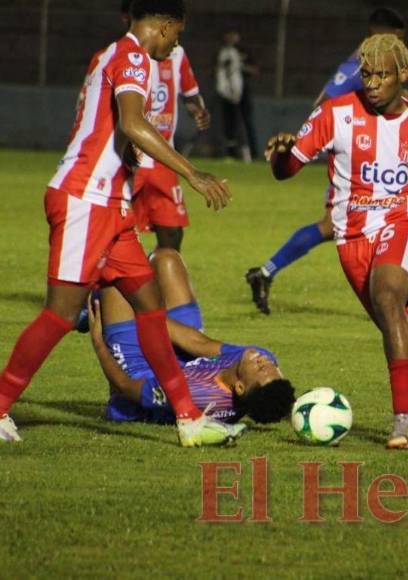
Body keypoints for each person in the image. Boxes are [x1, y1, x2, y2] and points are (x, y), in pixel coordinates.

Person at [0, 0, 239, 447]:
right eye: (178, 35)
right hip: (84, 201)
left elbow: (112, 127)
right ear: (166, 27)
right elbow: (131, 122)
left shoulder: (115, 56)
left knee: (150, 308)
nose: (176, 44)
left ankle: (188, 418)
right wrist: (193, 172)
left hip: (112, 205)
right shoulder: (132, 56)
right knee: (61, 313)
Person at [263, 34, 408, 448]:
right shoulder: (334, 115)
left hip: (402, 222)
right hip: (351, 237)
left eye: (382, 75)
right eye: (366, 75)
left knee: (388, 296)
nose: (371, 83)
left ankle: (404, 421)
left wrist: (401, 217)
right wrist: (281, 153)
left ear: (402, 75)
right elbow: (287, 169)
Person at [245, 8, 408, 323]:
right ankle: (266, 271)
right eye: (393, 38)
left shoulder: (377, 65)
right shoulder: (355, 66)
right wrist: (330, 136)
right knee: (337, 225)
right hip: (354, 161)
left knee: (357, 226)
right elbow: (323, 104)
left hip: (373, 158)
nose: (397, 46)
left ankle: (266, 272)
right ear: (375, 33)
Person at [89, 249, 295, 425]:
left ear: (239, 387)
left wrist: (99, 343)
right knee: (167, 259)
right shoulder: (254, 362)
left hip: (142, 374)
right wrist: (145, 314)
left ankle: (85, 304)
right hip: (183, 361)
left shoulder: (200, 395)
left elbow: (126, 387)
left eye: (261, 367)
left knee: (116, 276)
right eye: (272, 366)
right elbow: (200, 343)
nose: (264, 360)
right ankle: (100, 305)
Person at [121, 0, 211, 252]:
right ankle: (101, 288)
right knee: (117, 231)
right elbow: (128, 119)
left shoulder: (177, 54)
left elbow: (190, 94)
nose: (177, 41)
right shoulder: (124, 58)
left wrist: (197, 110)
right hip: (132, 159)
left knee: (171, 233)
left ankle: (157, 284)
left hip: (164, 159)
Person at [216, 29, 259, 162]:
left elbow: (255, 70)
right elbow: (214, 70)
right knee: (229, 123)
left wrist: (241, 66)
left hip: (243, 93)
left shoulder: (244, 51)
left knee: (246, 122)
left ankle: (252, 153)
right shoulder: (222, 52)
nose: (231, 37)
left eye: (233, 34)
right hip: (226, 92)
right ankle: (231, 153)